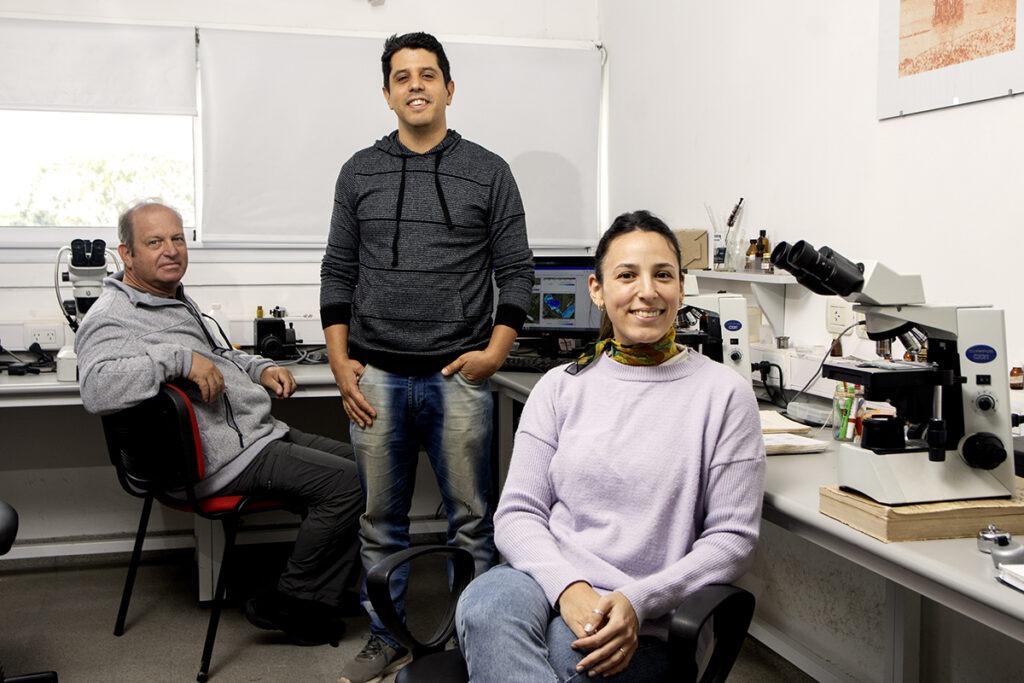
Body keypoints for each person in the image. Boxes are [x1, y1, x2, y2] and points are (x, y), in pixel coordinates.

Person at [455, 210, 766, 681]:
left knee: (569, 657)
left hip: (647, 608)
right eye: (627, 275)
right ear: (597, 290)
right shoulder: (560, 386)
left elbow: (732, 540)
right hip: (550, 578)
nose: (647, 291)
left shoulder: (724, 394)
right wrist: (568, 588)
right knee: (483, 605)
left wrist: (637, 601)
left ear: (681, 288)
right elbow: (518, 513)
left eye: (663, 275)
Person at [319, 31, 534, 683]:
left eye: (428, 74)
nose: (416, 85)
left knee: (471, 520)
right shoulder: (359, 171)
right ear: (387, 94)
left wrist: (495, 352)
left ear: (449, 87)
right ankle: (387, 636)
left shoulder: (489, 171)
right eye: (402, 76)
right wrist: (339, 362)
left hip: (457, 377)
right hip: (376, 376)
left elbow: (516, 271)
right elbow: (337, 270)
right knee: (379, 522)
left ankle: (475, 637)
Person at [76, 200, 363, 646]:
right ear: (126, 254)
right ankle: (294, 600)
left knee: (369, 467)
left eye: (177, 238)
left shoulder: (171, 298)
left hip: (253, 436)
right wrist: (178, 359)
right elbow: (96, 387)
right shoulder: (113, 315)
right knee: (352, 484)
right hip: (223, 460)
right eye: (155, 242)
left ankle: (324, 592)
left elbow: (216, 355)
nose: (171, 250)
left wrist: (260, 368)